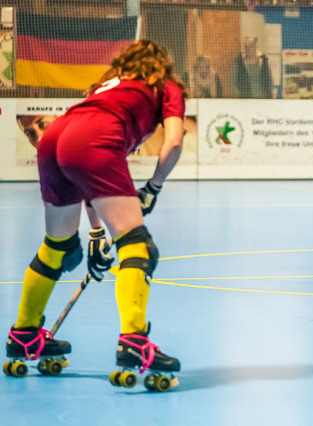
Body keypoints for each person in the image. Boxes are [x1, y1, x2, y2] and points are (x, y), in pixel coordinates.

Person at [4, 40, 187, 388]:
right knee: (137, 246)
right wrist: (153, 187)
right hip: (92, 138)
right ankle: (134, 343)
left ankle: (23, 335)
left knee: (58, 247)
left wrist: (97, 235)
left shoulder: (106, 86)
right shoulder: (164, 86)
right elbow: (174, 141)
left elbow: (86, 168)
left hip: (55, 137)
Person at [17, 114, 114, 282]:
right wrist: (96, 233)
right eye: (30, 134)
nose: (39, 138)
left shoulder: (84, 135)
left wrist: (97, 234)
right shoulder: (49, 160)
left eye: (42, 124)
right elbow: (86, 185)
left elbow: (89, 183)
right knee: (61, 251)